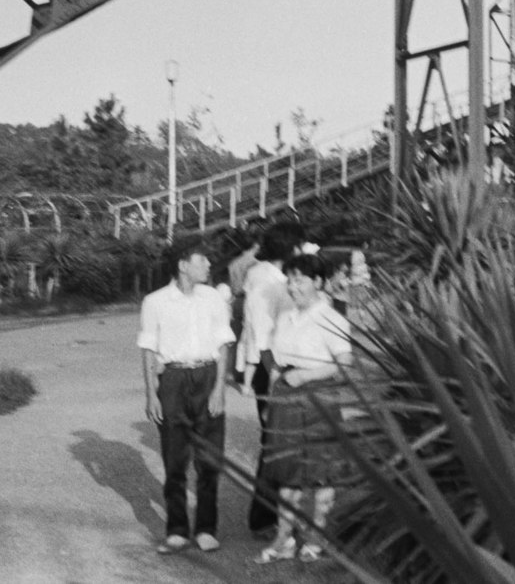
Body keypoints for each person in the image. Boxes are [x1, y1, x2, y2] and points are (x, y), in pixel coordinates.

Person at [254, 252, 354, 564]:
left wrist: (306, 375)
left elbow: (344, 364)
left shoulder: (332, 318)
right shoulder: (285, 317)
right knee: (287, 471)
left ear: (319, 283)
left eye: (301, 280)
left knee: (322, 471)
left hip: (318, 398)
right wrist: (276, 394)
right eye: (291, 279)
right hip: (286, 396)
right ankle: (283, 539)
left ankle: (316, 537)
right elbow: (278, 362)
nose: (294, 286)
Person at [138, 239, 234, 555]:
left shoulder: (214, 298)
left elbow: (223, 344)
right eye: (202, 260)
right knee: (174, 457)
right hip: (173, 380)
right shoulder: (155, 302)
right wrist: (152, 393)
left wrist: (219, 388)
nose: (208, 265)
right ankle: (177, 529)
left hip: (207, 376)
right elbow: (149, 350)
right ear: (183, 265)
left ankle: (206, 528)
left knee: (209, 458)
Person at [237, 219, 304, 535]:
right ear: (290, 248)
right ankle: (265, 518)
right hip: (274, 368)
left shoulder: (262, 274)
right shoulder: (270, 283)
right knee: (277, 443)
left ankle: (276, 515)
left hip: (274, 367)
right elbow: (262, 336)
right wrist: (276, 375)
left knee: (280, 441)